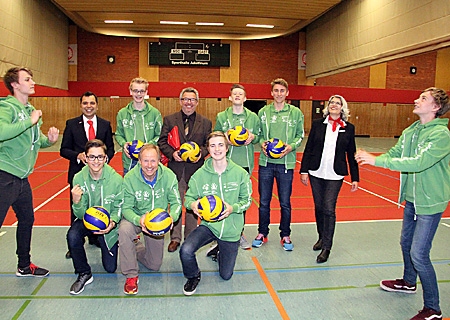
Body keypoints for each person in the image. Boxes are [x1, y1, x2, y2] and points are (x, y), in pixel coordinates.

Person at [356, 87, 449, 320]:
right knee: (405, 242)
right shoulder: (413, 129)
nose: (416, 100)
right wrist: (376, 157)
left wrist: (377, 161)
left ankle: (433, 309)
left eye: (423, 98)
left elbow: (419, 162)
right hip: (412, 199)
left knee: (419, 254)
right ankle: (409, 282)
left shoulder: (441, 135)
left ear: (436, 107)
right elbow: (397, 151)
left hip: (430, 202)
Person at [0, 67, 59, 277]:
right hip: (4, 175)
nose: (32, 82)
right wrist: (30, 121)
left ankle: (24, 265)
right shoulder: (7, 107)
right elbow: (1, 132)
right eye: (27, 79)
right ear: (15, 85)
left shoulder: (29, 110)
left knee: (27, 219)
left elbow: (36, 140)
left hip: (22, 179)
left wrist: (48, 140)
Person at [180, 131, 252, 295]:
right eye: (212, 145)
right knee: (186, 250)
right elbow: (188, 199)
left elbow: (247, 200)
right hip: (209, 226)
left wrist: (231, 208)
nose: (217, 149)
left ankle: (218, 250)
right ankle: (193, 276)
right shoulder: (200, 175)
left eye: (220, 145)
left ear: (227, 148)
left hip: (231, 229)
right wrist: (194, 205)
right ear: (208, 149)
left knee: (225, 275)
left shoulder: (240, 173)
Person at [300, 95, 359, 263]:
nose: (334, 105)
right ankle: (321, 237)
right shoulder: (318, 125)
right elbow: (309, 148)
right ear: (328, 106)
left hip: (335, 174)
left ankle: (327, 246)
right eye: (331, 102)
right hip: (316, 172)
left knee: (328, 208)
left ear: (342, 108)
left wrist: (355, 177)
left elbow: (351, 154)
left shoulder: (349, 128)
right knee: (319, 207)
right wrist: (304, 170)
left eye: (338, 103)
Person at [119, 144, 181, 295]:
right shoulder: (129, 178)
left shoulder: (169, 176)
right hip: (137, 217)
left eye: (153, 161)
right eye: (145, 161)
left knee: (154, 265)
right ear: (139, 161)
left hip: (157, 222)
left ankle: (134, 246)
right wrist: (139, 219)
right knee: (124, 230)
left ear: (159, 160)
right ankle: (131, 275)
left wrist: (171, 218)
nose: (149, 165)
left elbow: (176, 203)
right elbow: (125, 208)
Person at [60, 91, 115, 259]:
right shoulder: (71, 124)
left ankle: (96, 237)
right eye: (85, 103)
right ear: (81, 105)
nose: (89, 106)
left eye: (92, 103)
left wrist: (101, 161)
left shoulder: (105, 125)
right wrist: (78, 156)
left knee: (98, 205)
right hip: (78, 173)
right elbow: (63, 150)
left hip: (100, 175)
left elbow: (111, 149)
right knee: (76, 207)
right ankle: (75, 244)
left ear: (97, 105)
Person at [252, 78, 304, 251]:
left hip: (286, 165)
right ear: (271, 93)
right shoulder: (263, 112)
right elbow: (257, 136)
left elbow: (300, 135)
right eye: (276, 90)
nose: (279, 93)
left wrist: (291, 147)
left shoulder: (296, 113)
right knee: (264, 202)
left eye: (282, 90)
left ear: (287, 93)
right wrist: (262, 144)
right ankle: (262, 233)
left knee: (285, 203)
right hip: (266, 163)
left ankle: (285, 234)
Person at [158, 87, 212, 253]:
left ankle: (190, 237)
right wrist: (172, 154)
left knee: (192, 207)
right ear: (180, 101)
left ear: (197, 102)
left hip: (196, 171)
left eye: (192, 100)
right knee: (175, 204)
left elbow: (207, 145)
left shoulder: (206, 122)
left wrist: (200, 154)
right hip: (176, 169)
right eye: (186, 99)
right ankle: (175, 238)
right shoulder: (169, 119)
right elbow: (162, 142)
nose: (189, 103)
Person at [67, 139, 123, 295]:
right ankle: (84, 273)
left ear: (106, 158)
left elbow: (120, 206)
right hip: (87, 219)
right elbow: (79, 214)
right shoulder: (78, 178)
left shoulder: (116, 179)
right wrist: (77, 203)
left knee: (110, 269)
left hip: (108, 224)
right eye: (92, 157)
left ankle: (108, 242)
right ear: (85, 157)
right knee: (72, 235)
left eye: (100, 157)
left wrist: (112, 222)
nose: (96, 161)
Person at [213, 84, 260, 251]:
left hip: (245, 165)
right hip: (225, 164)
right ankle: (218, 234)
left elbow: (259, 137)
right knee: (222, 199)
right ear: (230, 98)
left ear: (245, 98)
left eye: (241, 94)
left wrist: (253, 137)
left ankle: (239, 234)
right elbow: (215, 136)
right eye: (235, 94)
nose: (238, 96)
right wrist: (224, 137)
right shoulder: (221, 116)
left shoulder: (253, 117)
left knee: (241, 201)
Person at [115, 77, 162, 175]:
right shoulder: (122, 113)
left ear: (146, 92)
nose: (139, 94)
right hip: (129, 162)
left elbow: (160, 135)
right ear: (130, 91)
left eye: (141, 91)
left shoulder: (155, 113)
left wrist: (150, 145)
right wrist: (124, 144)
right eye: (136, 91)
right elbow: (118, 134)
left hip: (149, 162)